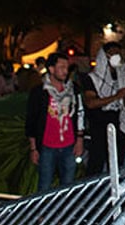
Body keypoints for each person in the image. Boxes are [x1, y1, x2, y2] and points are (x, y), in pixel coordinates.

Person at [25, 53, 85, 192]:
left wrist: (80, 139)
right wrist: (33, 148)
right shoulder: (39, 92)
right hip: (47, 146)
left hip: (69, 145)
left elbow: (80, 113)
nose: (65, 71)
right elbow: (31, 121)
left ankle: (65, 212)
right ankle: (43, 213)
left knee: (68, 186)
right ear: (51, 69)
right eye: (61, 67)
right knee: (45, 185)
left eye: (67, 67)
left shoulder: (73, 89)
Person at [80, 43, 125, 176]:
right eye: (113, 52)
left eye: (118, 52)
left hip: (118, 122)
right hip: (99, 124)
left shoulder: (122, 77)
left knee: (117, 162)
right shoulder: (92, 78)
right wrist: (116, 96)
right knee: (97, 162)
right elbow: (91, 103)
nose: (116, 56)